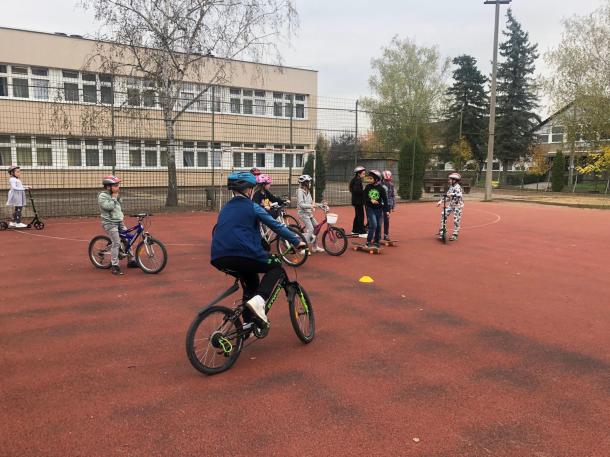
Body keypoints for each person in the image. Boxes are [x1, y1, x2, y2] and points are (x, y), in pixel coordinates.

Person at [211, 172, 306, 324]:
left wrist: (263, 243)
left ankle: (248, 325)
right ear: (248, 190)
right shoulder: (253, 207)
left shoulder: (225, 209)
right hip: (243, 254)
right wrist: (296, 241)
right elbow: (275, 225)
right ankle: (260, 300)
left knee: (251, 286)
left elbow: (240, 230)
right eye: (251, 189)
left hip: (219, 257)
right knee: (276, 266)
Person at [97, 176, 137, 276]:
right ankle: (115, 266)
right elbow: (109, 207)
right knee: (116, 242)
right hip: (110, 223)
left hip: (119, 221)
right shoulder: (102, 196)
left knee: (128, 239)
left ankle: (131, 260)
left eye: (118, 185)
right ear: (108, 187)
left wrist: (116, 197)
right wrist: (114, 197)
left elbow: (119, 204)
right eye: (115, 185)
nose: (118, 187)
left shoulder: (114, 194)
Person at [296, 174, 324, 253]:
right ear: (304, 183)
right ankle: (303, 249)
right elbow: (301, 204)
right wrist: (311, 206)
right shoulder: (300, 192)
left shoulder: (308, 191)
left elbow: (312, 203)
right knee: (311, 229)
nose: (310, 184)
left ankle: (315, 247)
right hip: (303, 214)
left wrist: (321, 205)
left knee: (316, 227)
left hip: (309, 214)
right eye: (309, 182)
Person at [363, 169, 388, 248]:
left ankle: (376, 241)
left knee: (379, 226)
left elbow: (385, 200)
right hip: (370, 208)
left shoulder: (381, 189)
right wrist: (371, 200)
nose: (369, 180)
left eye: (371, 178)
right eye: (369, 178)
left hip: (379, 209)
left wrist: (387, 211)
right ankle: (368, 241)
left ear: (376, 179)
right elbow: (364, 197)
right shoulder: (368, 187)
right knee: (373, 224)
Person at [437, 172, 464, 241]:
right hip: (451, 205)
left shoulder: (458, 187)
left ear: (454, 180)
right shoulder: (451, 187)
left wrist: (452, 194)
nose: (449, 181)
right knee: (443, 214)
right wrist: (441, 201)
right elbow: (447, 196)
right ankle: (442, 230)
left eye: (450, 179)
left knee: (456, 220)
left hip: (458, 206)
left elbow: (459, 195)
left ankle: (455, 234)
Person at [349, 166, 367, 235]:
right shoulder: (357, 180)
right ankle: (361, 231)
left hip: (356, 201)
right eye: (363, 173)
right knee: (361, 216)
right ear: (358, 174)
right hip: (358, 201)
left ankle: (355, 230)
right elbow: (356, 191)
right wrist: (364, 191)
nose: (364, 175)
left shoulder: (356, 179)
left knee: (357, 216)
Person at [380, 170, 396, 241]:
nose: (387, 181)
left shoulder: (391, 185)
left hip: (388, 205)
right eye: (386, 180)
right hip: (381, 204)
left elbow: (392, 196)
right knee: (380, 220)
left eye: (388, 180)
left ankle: (386, 235)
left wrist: (393, 206)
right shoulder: (379, 184)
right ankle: (378, 235)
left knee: (386, 220)